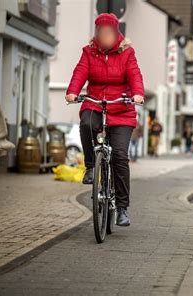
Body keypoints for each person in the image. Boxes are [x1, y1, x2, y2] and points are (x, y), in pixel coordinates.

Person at [65, 13, 144, 227]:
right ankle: (91, 166)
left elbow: (135, 74)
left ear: (116, 32)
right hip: (95, 102)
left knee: (119, 155)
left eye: (109, 31)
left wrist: (137, 93)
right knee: (87, 123)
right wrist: (72, 91)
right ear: (97, 32)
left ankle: (122, 208)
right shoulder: (89, 52)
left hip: (121, 106)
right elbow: (80, 72)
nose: (105, 35)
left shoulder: (127, 52)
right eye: (102, 31)